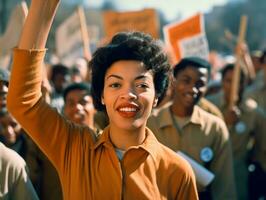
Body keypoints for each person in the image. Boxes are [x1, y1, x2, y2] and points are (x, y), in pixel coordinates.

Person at [7, 0, 198, 199]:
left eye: (141, 85)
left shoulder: (178, 172)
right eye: (115, 84)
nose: (128, 94)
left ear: (157, 96)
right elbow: (22, 100)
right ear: (101, 95)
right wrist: (43, 6)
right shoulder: (74, 147)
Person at [148, 57, 236, 200]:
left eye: (200, 83)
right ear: (173, 81)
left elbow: (224, 183)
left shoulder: (215, 127)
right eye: (186, 81)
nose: (193, 89)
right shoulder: (150, 123)